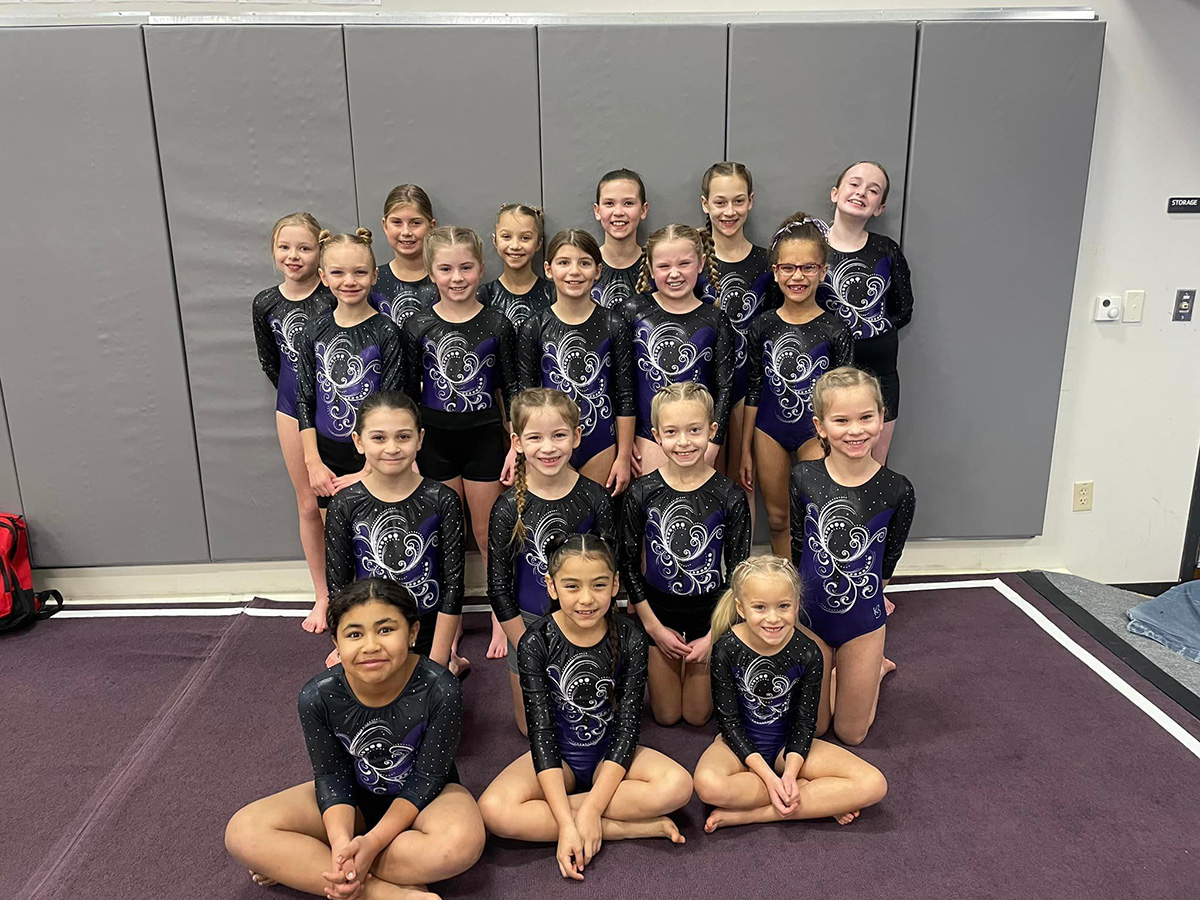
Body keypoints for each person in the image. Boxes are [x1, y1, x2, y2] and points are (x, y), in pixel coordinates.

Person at [224, 578, 485, 900]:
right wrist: (340, 843)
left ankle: (307, 864)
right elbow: (332, 777)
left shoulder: (441, 687)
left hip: (428, 799)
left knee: (460, 844)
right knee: (244, 831)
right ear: (336, 640)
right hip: (354, 798)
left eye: (386, 630)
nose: (371, 645)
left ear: (413, 633)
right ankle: (384, 893)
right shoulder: (317, 696)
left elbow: (427, 778)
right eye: (354, 634)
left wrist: (370, 843)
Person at [478, 534, 692, 881]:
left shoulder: (631, 637)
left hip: (611, 753)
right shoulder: (536, 641)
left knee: (679, 785)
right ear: (551, 586)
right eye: (572, 586)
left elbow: (627, 728)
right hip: (558, 756)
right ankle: (622, 827)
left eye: (599, 585)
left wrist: (591, 807)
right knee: (493, 810)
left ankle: (592, 816)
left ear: (615, 584)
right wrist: (568, 822)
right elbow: (542, 734)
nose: (586, 599)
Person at [694, 555, 888, 832]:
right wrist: (774, 780)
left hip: (791, 747)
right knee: (707, 785)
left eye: (783, 606)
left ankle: (754, 815)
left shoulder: (808, 651)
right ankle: (816, 799)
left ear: (796, 605)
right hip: (738, 746)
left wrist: (791, 771)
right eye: (760, 607)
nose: (773, 618)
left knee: (873, 783)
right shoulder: (726, 648)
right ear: (741, 607)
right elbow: (729, 723)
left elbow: (805, 721)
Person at [402, 225, 517, 659]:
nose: (457, 277)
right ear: (431, 272)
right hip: (434, 441)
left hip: (485, 437)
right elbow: (406, 394)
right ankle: (444, 631)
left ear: (480, 268)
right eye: (446, 268)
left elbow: (514, 389)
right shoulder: (418, 326)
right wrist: (410, 447)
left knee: (489, 534)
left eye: (466, 267)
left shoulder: (497, 324)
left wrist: (514, 443)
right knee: (445, 535)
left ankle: (498, 617)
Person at [789, 367, 916, 744]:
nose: (855, 430)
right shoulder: (803, 477)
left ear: (881, 418)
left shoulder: (898, 489)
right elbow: (799, 547)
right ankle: (835, 671)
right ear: (821, 426)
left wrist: (872, 601)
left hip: (862, 622)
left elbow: (888, 560)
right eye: (841, 420)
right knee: (816, 728)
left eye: (866, 417)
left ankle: (872, 669)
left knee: (851, 733)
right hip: (811, 615)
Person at [620, 383, 750, 726]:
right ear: (657, 435)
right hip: (658, 611)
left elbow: (739, 573)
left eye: (694, 430)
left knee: (696, 716)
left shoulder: (729, 495)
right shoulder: (642, 490)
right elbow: (629, 565)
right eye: (672, 432)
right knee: (665, 716)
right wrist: (653, 627)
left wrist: (715, 635)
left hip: (709, 614)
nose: (684, 442)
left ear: (712, 430)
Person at [488, 389, 615, 733]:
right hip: (526, 624)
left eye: (559, 435)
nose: (548, 447)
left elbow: (609, 577)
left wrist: (595, 632)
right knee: (532, 729)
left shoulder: (594, 498)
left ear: (576, 436)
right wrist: (527, 645)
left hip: (587, 620)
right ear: (516, 442)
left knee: (588, 723)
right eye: (535, 437)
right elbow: (498, 587)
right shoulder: (506, 508)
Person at [296, 228, 404, 632]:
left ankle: (386, 621)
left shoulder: (386, 331)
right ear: (323, 277)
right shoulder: (314, 330)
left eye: (360, 273)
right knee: (339, 544)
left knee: (376, 541)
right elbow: (305, 400)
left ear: (374, 276)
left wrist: (370, 468)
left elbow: (394, 405)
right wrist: (313, 461)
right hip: (329, 451)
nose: (350, 282)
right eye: (339, 273)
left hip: (377, 456)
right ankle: (346, 623)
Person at [324, 391, 466, 674]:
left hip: (425, 629)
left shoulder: (442, 499)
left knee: (432, 703)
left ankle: (452, 661)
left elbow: (453, 586)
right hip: (371, 630)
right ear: (359, 441)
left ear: (420, 439)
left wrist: (439, 656)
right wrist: (348, 643)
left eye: (403, 437)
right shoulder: (344, 503)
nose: (392, 448)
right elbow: (338, 588)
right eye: (379, 438)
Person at [741, 213, 854, 557]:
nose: (797, 276)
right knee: (778, 519)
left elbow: (844, 396)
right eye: (788, 268)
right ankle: (784, 590)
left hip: (815, 432)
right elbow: (755, 388)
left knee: (814, 516)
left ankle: (813, 587)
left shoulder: (835, 330)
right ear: (775, 273)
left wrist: (837, 441)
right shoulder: (763, 326)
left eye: (807, 268)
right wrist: (745, 448)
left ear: (822, 271)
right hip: (769, 430)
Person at [252, 212, 337, 637]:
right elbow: (271, 361)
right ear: (273, 250)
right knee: (308, 505)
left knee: (350, 502)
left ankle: (357, 588)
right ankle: (323, 593)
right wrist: (297, 397)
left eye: (304, 247)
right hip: (290, 401)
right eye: (285, 247)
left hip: (341, 401)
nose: (294, 255)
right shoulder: (266, 302)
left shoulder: (336, 291)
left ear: (320, 251)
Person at [518, 228, 635, 495]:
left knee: (598, 526)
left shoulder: (614, 324)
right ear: (548, 269)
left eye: (584, 263)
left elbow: (625, 394)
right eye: (564, 263)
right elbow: (524, 397)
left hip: (601, 442)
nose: (574, 272)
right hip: (550, 443)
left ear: (597, 270)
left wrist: (624, 455)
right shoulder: (534, 327)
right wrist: (523, 455)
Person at [818, 161, 915, 463]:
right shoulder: (811, 247)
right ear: (835, 193)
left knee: (871, 472)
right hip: (820, 373)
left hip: (878, 375)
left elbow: (904, 308)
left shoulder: (886, 250)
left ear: (879, 208)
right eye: (854, 184)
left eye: (873, 191)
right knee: (821, 475)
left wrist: (869, 328)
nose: (861, 193)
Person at [622, 223, 734, 476]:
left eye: (684, 264)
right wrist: (624, 443)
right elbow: (623, 383)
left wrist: (714, 442)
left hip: (698, 437)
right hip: (647, 437)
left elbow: (725, 386)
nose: (674, 274)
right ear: (650, 268)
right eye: (664, 266)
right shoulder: (633, 311)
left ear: (702, 263)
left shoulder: (714, 318)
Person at [699, 162, 774, 489]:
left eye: (738, 201)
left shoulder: (766, 262)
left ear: (751, 201)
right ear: (705, 204)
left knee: (742, 485)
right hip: (699, 388)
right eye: (720, 202)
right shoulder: (688, 259)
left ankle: (739, 544)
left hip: (748, 388)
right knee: (700, 484)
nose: (729, 211)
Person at [478, 203, 555, 329]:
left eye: (525, 238)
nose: (515, 246)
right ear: (495, 240)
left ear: (538, 243)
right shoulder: (484, 295)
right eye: (506, 236)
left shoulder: (552, 294)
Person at [374, 184, 439, 328]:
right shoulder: (372, 281)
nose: (406, 232)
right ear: (385, 226)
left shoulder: (447, 279)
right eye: (397, 222)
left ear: (431, 226)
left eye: (415, 223)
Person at [591, 168, 649, 309]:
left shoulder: (657, 268)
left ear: (643, 210)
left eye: (628, 203)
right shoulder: (585, 268)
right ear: (597, 211)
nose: (618, 212)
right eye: (609, 203)